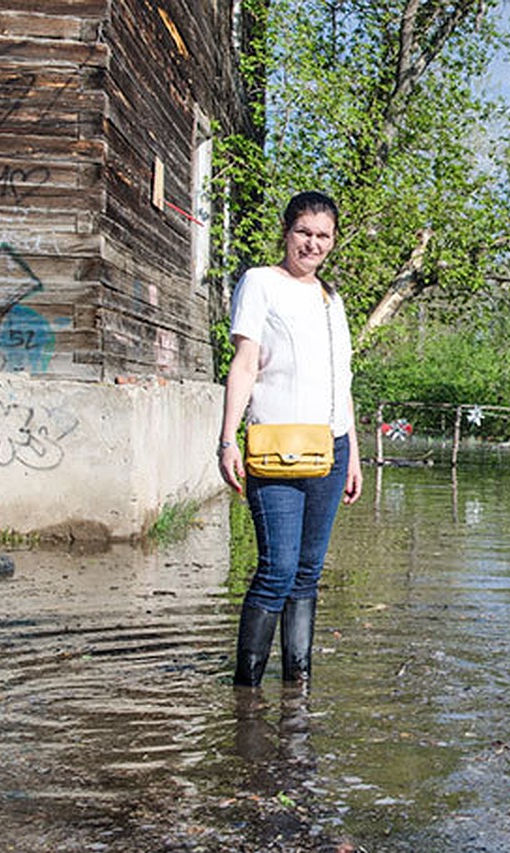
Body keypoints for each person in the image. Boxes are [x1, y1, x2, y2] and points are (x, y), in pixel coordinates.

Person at [217, 190, 363, 691]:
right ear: (287, 231)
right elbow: (244, 362)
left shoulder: (332, 300)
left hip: (330, 448)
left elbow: (339, 382)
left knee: (306, 573)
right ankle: (247, 690)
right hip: (273, 447)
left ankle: (297, 685)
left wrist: (354, 456)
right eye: (304, 232)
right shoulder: (259, 283)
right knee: (277, 569)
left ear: (333, 241)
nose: (312, 244)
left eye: (323, 236)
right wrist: (227, 439)